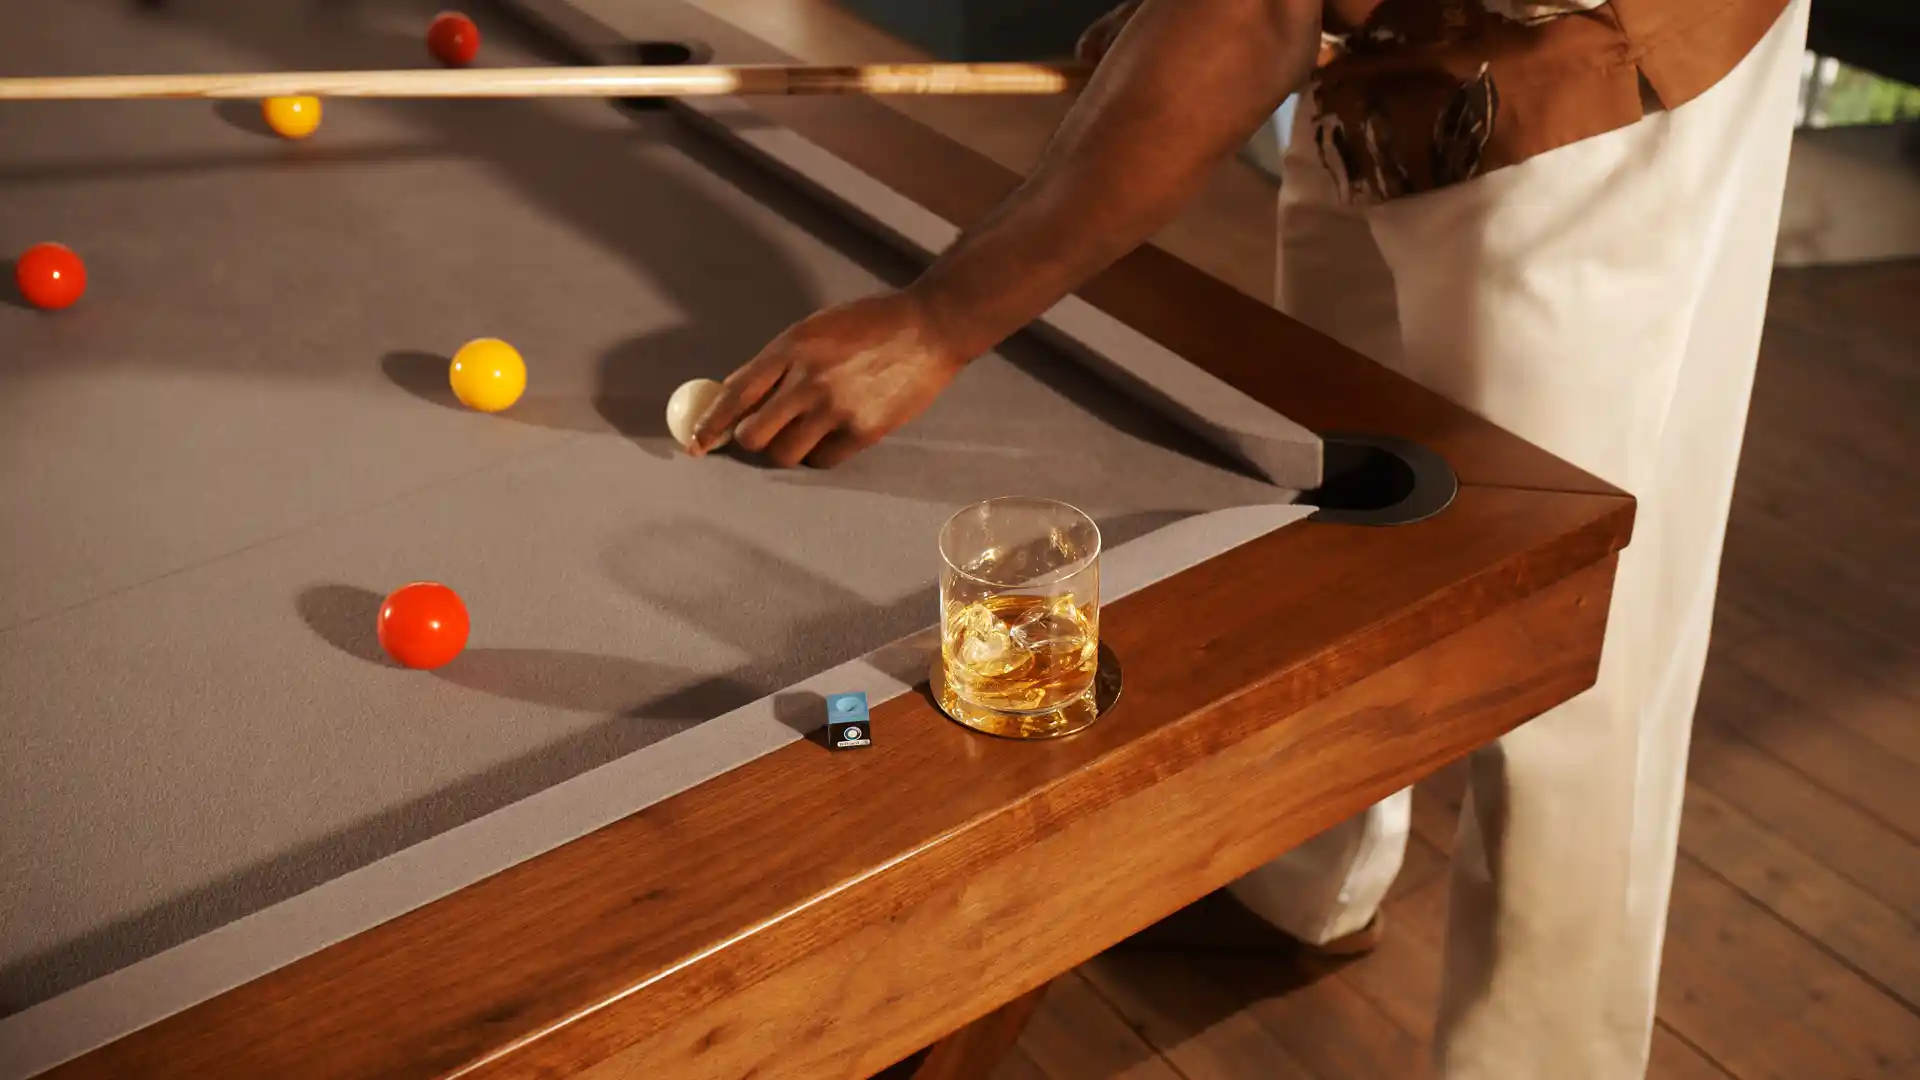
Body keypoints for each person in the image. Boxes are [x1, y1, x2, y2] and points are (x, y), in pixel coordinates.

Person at [691, 0, 1809, 1074]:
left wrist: (938, 320)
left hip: (1603, 66)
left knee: (1572, 618)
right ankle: (1305, 885)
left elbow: (1252, 15)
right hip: (1397, 47)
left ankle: (1543, 1061)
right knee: (1350, 493)